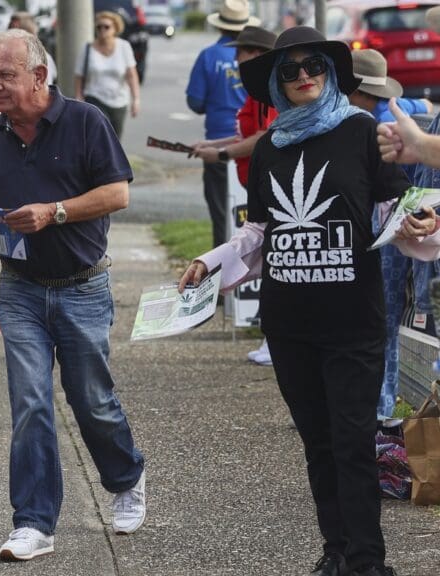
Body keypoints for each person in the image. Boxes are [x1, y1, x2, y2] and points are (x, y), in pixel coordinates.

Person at [179, 27, 440, 576]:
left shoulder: (362, 131)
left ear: (329, 71)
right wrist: (209, 261)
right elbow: (259, 232)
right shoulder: (270, 146)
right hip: (290, 324)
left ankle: (368, 561)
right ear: (276, 82)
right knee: (318, 446)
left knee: (352, 443)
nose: (303, 76)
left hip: (353, 323)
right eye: (290, 70)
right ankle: (336, 552)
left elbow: (394, 209)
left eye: (313, 65)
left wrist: (421, 222)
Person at [0, 28, 145, 562]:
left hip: (82, 286)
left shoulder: (86, 121)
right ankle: (34, 522)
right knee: (30, 403)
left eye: (6, 75)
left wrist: (55, 211)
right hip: (19, 289)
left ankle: (126, 478)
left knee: (92, 401)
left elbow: (118, 192)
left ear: (39, 76)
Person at [347, 48, 432, 421]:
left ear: (355, 91)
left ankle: (376, 407)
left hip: (387, 227)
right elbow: (420, 103)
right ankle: (382, 404)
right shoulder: (398, 110)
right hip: (410, 223)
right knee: (388, 321)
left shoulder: (368, 126)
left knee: (376, 320)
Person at [190, 24, 278, 366]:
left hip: (270, 186)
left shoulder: (270, 91)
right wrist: (212, 145)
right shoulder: (257, 90)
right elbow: (248, 134)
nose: (236, 57)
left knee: (270, 257)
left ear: (257, 54)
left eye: (241, 51)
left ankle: (274, 338)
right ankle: (271, 336)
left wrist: (222, 154)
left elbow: (266, 137)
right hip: (257, 184)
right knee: (263, 255)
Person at [186, 0, 260, 247]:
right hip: (250, 147)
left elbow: (195, 102)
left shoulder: (209, 56)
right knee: (253, 215)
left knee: (221, 214)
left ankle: (221, 265)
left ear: (220, 25)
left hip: (219, 141)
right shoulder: (259, 62)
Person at [73, 10, 140, 139]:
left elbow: (132, 75)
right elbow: (79, 76)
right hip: (94, 98)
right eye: (99, 27)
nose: (102, 30)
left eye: (106, 27)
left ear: (115, 28)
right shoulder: (87, 48)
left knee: (115, 139)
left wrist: (136, 99)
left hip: (119, 101)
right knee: (100, 134)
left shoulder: (124, 47)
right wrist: (78, 97)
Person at [8, 11, 56, 86]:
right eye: (11, 29)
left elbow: (46, 87)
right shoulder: (6, 57)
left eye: (17, 31)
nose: (11, 35)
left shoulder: (42, 58)